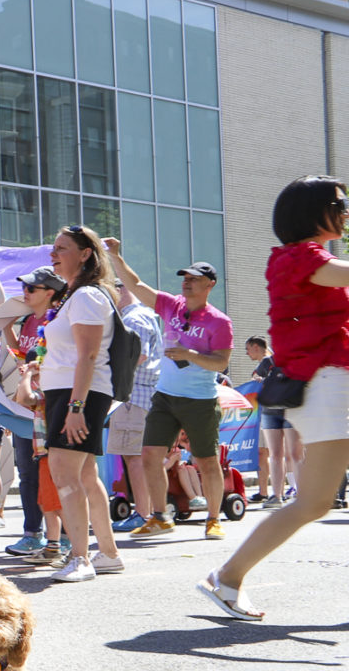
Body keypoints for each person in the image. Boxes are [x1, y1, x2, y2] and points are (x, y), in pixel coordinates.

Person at [200, 177, 349, 620]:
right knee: (313, 502)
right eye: (339, 203)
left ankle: (227, 576)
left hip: (330, 384)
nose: (345, 211)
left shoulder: (313, 260)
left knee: (315, 501)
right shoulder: (299, 258)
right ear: (312, 211)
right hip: (326, 386)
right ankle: (227, 576)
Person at [106, 243, 235, 540]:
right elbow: (135, 285)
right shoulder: (171, 304)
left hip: (200, 400)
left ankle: (213, 519)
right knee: (150, 454)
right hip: (163, 395)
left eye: (193, 278)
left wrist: (189, 354)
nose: (186, 281)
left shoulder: (219, 321)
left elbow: (222, 362)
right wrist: (115, 256)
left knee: (207, 460)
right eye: (184, 277)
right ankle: (160, 516)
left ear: (209, 285)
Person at [37, 226, 124, 584]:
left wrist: (76, 408)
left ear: (86, 253)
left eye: (62, 248)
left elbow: (88, 354)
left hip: (78, 394)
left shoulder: (88, 295)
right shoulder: (78, 295)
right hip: (71, 392)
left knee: (65, 475)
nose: (54, 254)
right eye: (53, 248)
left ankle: (80, 557)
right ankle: (107, 553)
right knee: (85, 475)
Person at [0, 266, 64, 557]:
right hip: (27, 405)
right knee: (27, 472)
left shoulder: (58, 322)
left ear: (50, 294)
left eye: (31, 289)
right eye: (24, 287)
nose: (25, 292)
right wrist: (5, 326)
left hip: (48, 406)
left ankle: (61, 537)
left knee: (54, 474)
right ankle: (32, 534)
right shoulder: (28, 321)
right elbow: (22, 353)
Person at [109, 281, 165, 533]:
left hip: (132, 393)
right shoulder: (144, 314)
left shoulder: (132, 318)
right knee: (142, 457)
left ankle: (143, 513)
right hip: (142, 393)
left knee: (134, 457)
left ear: (121, 290)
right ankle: (151, 513)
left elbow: (137, 355)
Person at [244, 335, 302, 507]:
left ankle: (301, 494)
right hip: (271, 411)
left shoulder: (296, 360)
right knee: (276, 455)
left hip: (291, 410)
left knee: (294, 454)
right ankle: (276, 495)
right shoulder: (267, 362)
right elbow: (255, 378)